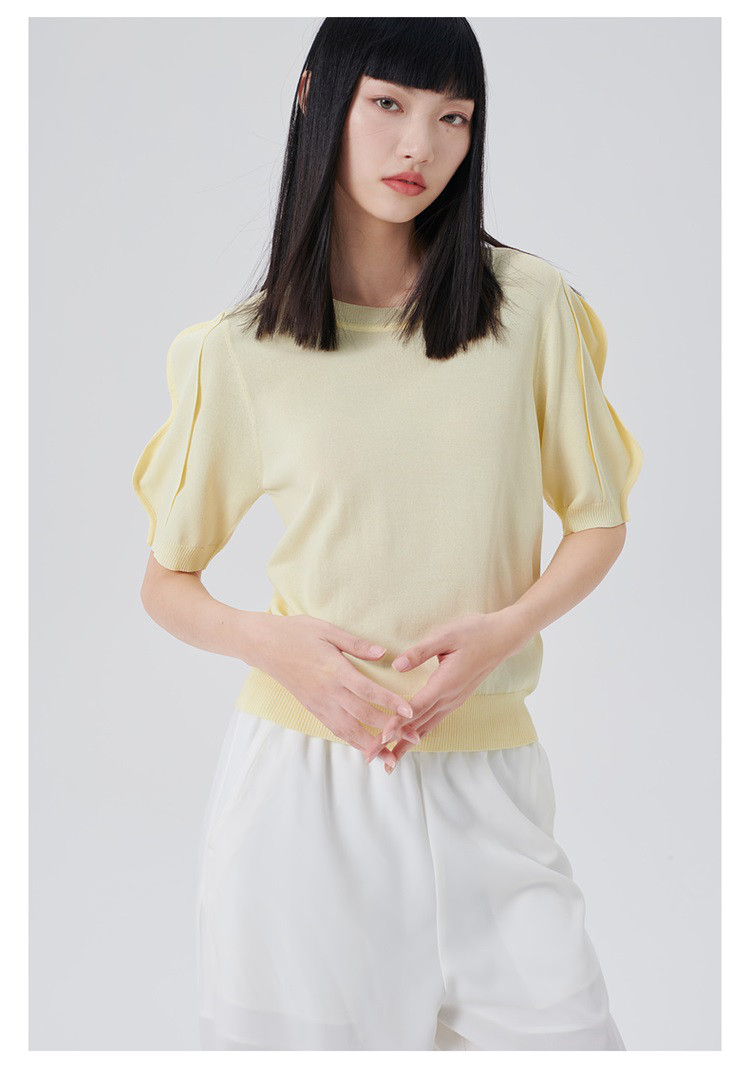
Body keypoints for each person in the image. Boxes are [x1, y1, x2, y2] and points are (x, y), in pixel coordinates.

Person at [132, 17, 642, 1052]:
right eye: (389, 104)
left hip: (491, 782)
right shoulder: (240, 352)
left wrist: (505, 630)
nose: (421, 145)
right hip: (302, 797)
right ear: (315, 96)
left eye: (454, 117)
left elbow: (598, 520)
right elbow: (166, 580)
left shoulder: (528, 307)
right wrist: (272, 644)